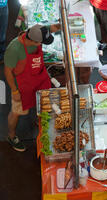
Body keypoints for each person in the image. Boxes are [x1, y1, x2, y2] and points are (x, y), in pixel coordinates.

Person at [4, 23, 60, 152]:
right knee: (17, 112)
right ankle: (11, 136)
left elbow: (53, 28)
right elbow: (7, 72)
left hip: (39, 78)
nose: (42, 45)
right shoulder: (14, 49)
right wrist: (14, 90)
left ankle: (37, 119)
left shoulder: (37, 31)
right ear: (34, 41)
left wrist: (62, 24)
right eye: (41, 43)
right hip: (23, 84)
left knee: (41, 102)